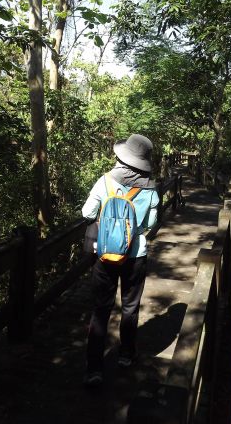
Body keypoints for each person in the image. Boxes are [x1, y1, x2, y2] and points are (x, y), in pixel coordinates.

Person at [82, 134, 159, 387]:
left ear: (122, 157)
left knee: (101, 310)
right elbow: (150, 224)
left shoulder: (105, 181)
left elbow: (87, 212)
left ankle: (94, 368)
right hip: (135, 255)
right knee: (129, 307)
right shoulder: (150, 188)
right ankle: (126, 355)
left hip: (104, 254)